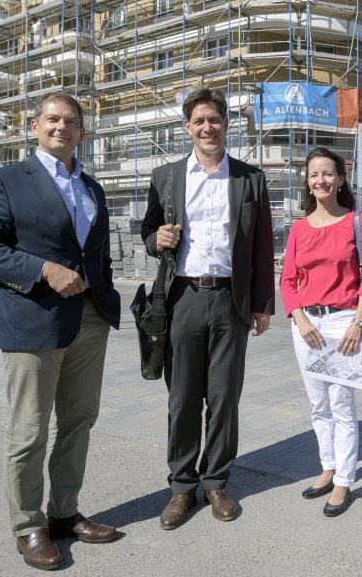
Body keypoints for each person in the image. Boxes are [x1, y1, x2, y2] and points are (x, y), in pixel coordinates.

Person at [0, 92, 122, 571]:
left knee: (78, 422)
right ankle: (28, 526)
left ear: (82, 131)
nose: (62, 127)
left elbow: (96, 256)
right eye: (52, 119)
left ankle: (63, 513)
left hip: (88, 321)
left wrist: (104, 293)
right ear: (33, 126)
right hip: (34, 321)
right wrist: (43, 269)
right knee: (29, 431)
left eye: (71, 121)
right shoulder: (6, 181)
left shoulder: (92, 188)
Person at [141, 87, 274, 530]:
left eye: (214, 119)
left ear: (225, 125)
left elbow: (261, 246)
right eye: (198, 121)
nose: (207, 127)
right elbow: (148, 231)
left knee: (223, 399)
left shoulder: (250, 179)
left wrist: (261, 304)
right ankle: (181, 486)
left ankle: (215, 481)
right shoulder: (165, 176)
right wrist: (155, 239)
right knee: (181, 399)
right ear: (187, 128)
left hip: (231, 301)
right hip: (183, 299)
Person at [280, 147, 362, 518]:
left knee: (341, 406)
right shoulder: (300, 228)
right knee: (317, 403)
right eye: (314, 174)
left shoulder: (356, 221)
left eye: (328, 174)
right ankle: (328, 466)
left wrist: (358, 323)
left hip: (343, 323)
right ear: (308, 181)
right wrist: (300, 320)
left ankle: (344, 480)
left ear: (340, 179)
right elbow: (288, 281)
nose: (320, 180)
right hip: (306, 325)